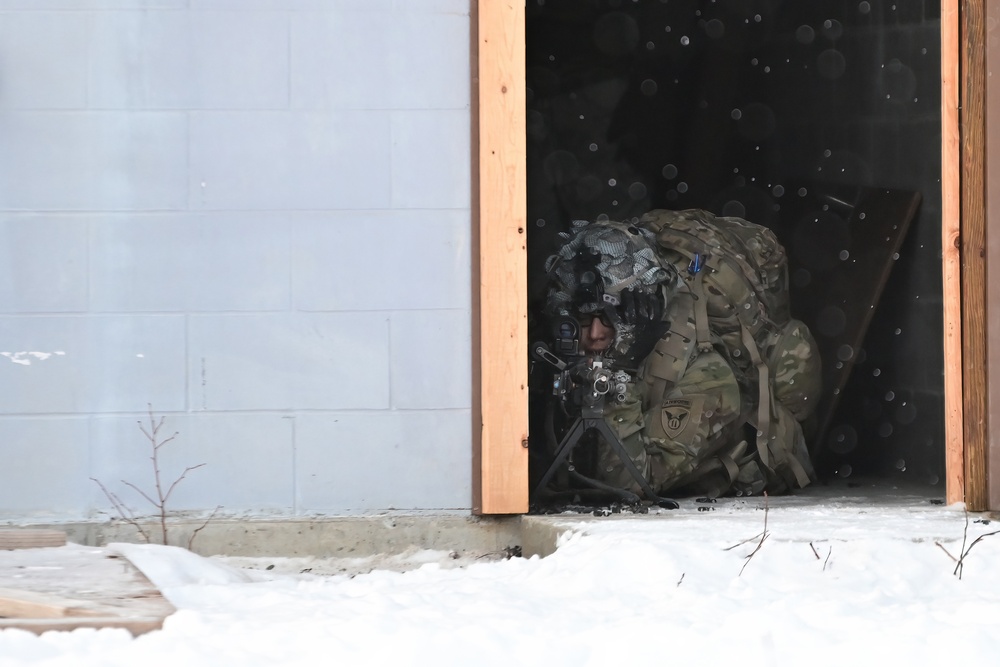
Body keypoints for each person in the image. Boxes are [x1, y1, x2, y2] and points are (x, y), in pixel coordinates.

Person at [540, 210, 819, 499]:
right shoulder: (566, 343)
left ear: (642, 314)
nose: (595, 334)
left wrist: (619, 380)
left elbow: (627, 484)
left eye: (610, 317)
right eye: (583, 319)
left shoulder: (706, 375)